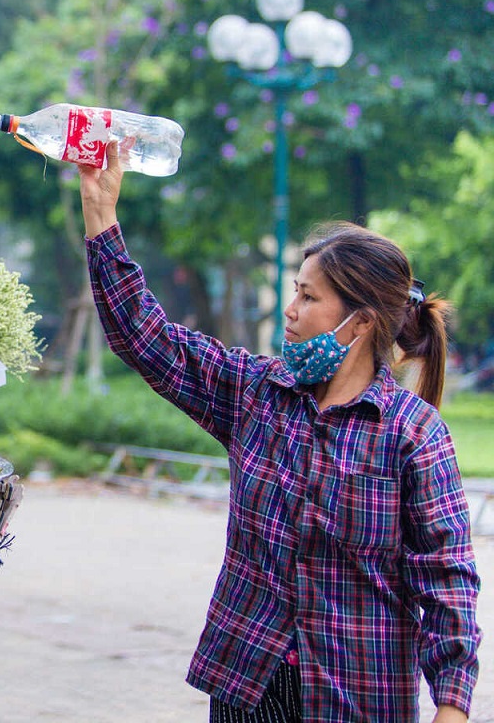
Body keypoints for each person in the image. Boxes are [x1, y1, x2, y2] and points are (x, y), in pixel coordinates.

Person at [78, 142, 481, 722]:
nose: (290, 309)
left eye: (309, 296)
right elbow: (146, 338)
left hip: (357, 698)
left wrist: (452, 707)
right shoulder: (257, 394)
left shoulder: (411, 434)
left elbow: (446, 581)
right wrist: (101, 213)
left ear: (361, 322)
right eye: (295, 290)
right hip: (248, 686)